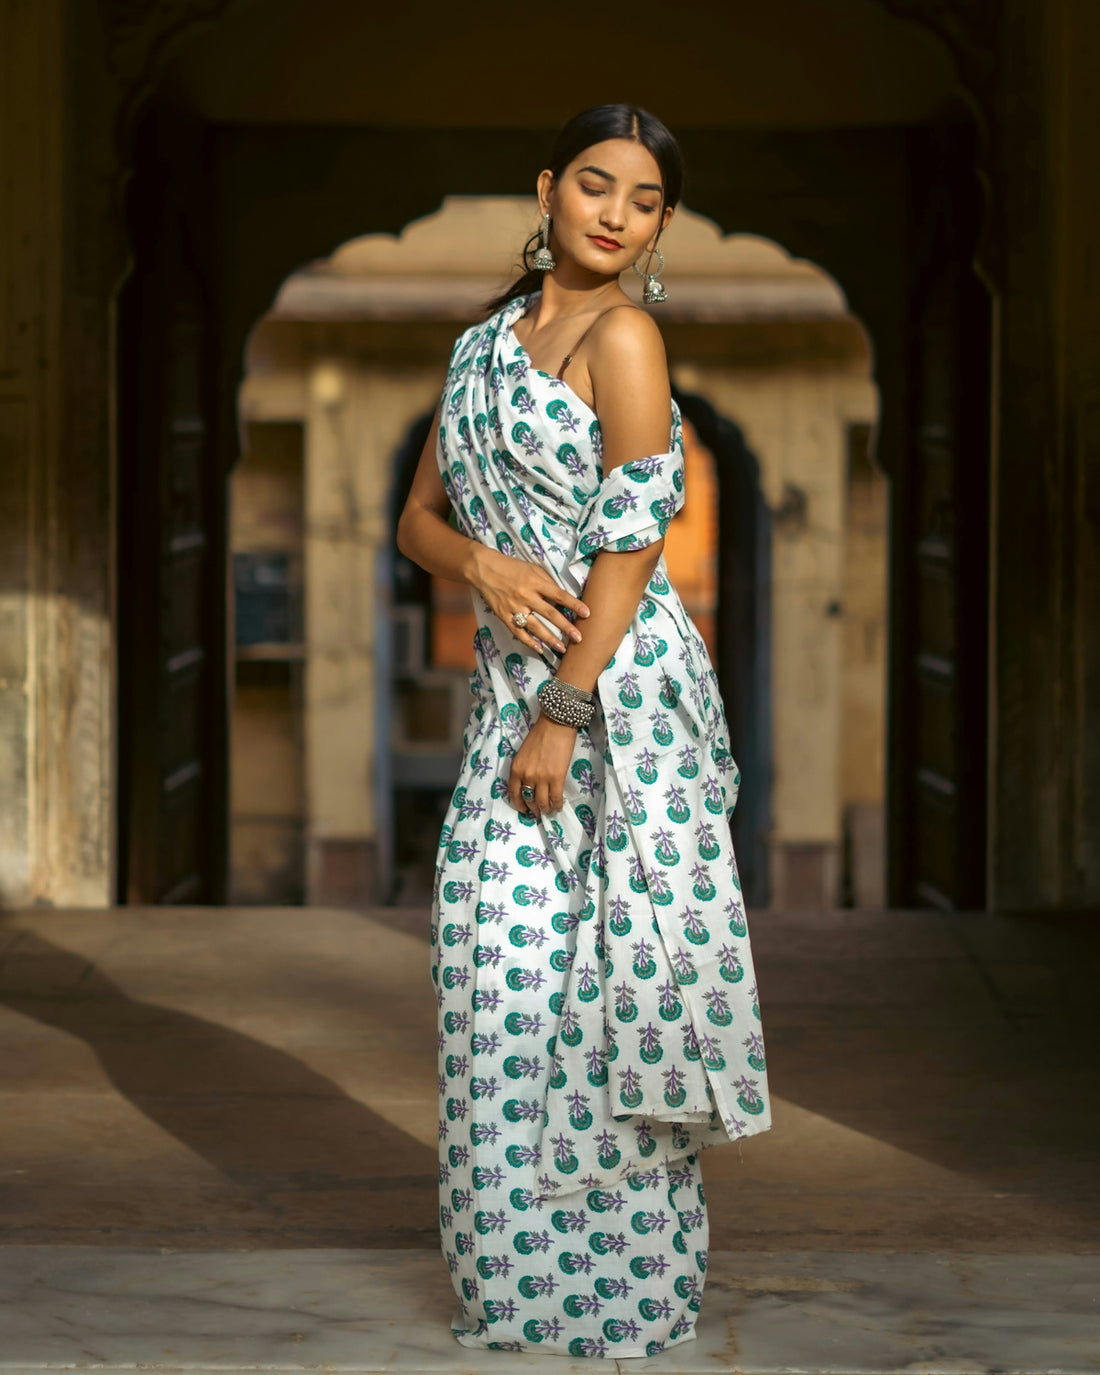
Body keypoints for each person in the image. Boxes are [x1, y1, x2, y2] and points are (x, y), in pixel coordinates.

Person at [396, 102, 772, 1360]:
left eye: (645, 199)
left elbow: (632, 534)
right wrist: (484, 568)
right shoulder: (477, 346)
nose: (615, 213)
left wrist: (563, 711)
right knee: (490, 974)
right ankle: (515, 1291)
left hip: (618, 704)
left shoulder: (625, 336)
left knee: (612, 1001)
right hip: (513, 692)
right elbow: (415, 522)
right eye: (596, 185)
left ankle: (626, 1300)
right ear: (547, 188)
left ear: (659, 223)